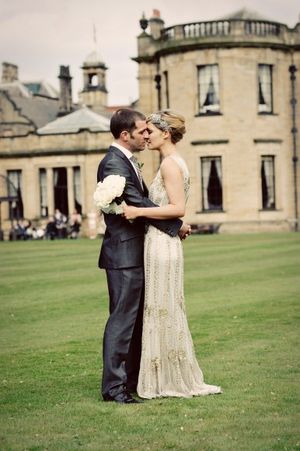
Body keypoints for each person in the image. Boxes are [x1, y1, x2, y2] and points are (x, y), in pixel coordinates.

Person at [123, 111, 222, 398]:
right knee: (164, 307)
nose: (146, 135)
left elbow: (177, 207)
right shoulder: (174, 162)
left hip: (161, 245)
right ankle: (164, 374)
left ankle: (169, 379)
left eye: (150, 131)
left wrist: (138, 210)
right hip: (164, 240)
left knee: (163, 308)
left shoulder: (169, 165)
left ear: (165, 133)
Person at [97, 108, 191, 404]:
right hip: (124, 253)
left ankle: (131, 381)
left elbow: (144, 202)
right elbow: (135, 202)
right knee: (123, 321)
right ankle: (114, 388)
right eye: (141, 131)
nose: (145, 135)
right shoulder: (114, 162)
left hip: (139, 250)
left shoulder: (130, 161)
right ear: (125, 135)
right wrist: (176, 226)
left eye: (149, 130)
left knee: (135, 320)